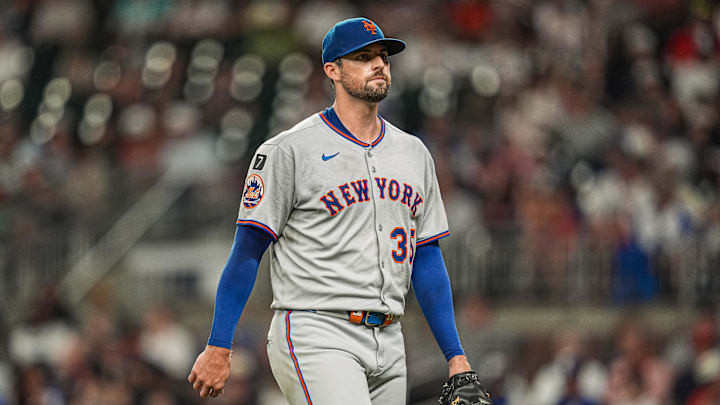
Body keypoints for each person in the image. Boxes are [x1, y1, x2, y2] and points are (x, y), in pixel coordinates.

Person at [188, 17, 481, 404]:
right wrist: (219, 345)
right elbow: (246, 253)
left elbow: (426, 258)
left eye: (382, 56)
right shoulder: (289, 150)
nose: (378, 64)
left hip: (390, 336)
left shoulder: (414, 153)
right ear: (333, 70)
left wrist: (456, 356)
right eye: (363, 57)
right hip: (316, 330)